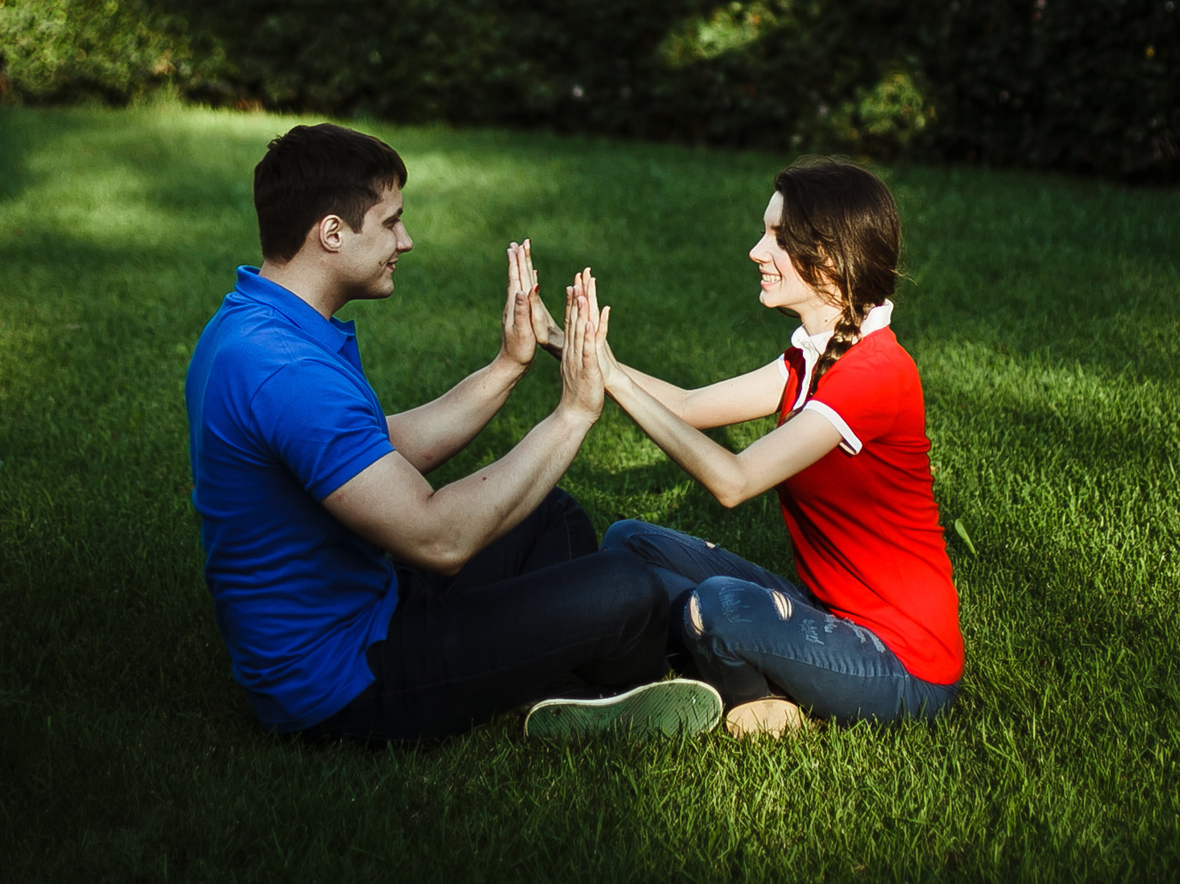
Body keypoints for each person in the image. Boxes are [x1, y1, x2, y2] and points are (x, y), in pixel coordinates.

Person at [183, 122, 722, 742]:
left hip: (375, 608)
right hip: (347, 683)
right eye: (389, 222)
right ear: (331, 233)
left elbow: (378, 449)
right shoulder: (285, 370)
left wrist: (508, 367)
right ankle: (622, 689)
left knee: (550, 517)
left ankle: (559, 683)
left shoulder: (257, 323)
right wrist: (573, 412)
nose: (405, 241)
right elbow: (439, 542)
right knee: (629, 588)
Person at [586, 159, 964, 736]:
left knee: (720, 606)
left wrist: (613, 382)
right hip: (825, 614)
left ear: (831, 258)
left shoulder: (877, 372)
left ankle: (755, 707)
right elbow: (687, 407)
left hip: (903, 665)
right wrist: (572, 345)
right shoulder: (812, 358)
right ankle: (669, 671)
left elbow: (734, 482)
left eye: (778, 239)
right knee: (631, 543)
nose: (757, 251)